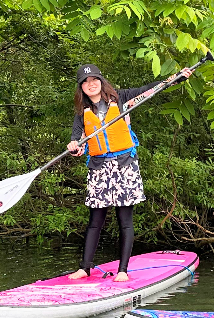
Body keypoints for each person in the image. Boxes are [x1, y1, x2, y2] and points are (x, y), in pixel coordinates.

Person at [66, 63, 193, 283]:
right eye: (85, 82)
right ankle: (85, 268)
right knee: (95, 221)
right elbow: (77, 141)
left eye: (94, 79)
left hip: (124, 166)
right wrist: (74, 147)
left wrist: (178, 77)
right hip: (99, 168)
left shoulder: (121, 98)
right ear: (81, 88)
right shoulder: (81, 113)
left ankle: (123, 270)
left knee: (124, 219)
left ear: (101, 81)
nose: (91, 84)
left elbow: (151, 89)